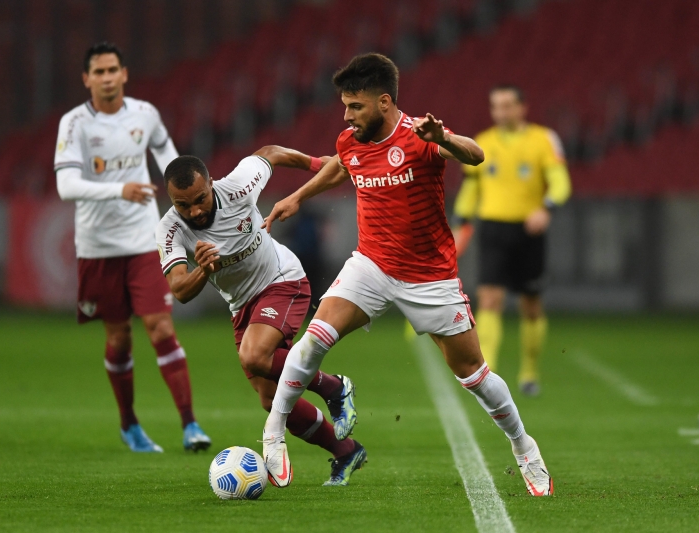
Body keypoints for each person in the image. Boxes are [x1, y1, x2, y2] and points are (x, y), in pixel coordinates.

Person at [260, 53, 553, 496]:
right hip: (372, 265)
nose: (347, 115)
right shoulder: (351, 139)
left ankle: (524, 445)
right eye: (344, 106)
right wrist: (299, 196)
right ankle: (274, 432)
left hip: (430, 276)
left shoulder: (421, 135)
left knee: (473, 374)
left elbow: (476, 154)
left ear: (383, 102)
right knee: (314, 338)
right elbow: (342, 163)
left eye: (355, 106)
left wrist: (447, 140)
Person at [155, 148, 365, 486]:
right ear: (171, 200)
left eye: (200, 199)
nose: (194, 211)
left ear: (211, 183)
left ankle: (335, 387)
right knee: (270, 398)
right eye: (183, 204)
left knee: (254, 355)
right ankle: (345, 451)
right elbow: (179, 289)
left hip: (282, 279)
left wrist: (315, 163)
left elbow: (270, 153)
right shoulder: (170, 229)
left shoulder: (238, 186)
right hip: (242, 305)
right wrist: (203, 271)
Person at [54, 42, 210, 453]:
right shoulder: (74, 125)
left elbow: (165, 151)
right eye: (98, 72)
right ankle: (129, 424)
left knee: (160, 326)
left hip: (144, 240)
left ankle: (190, 425)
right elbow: (65, 185)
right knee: (119, 336)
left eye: (112, 70)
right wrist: (119, 189)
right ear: (86, 79)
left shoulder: (145, 114)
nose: (106, 78)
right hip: (97, 247)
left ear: (124, 73)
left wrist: (184, 192)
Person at [451, 84, 572, 396]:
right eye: (495, 106)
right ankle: (487, 372)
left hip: (529, 230)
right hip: (492, 227)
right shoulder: (482, 142)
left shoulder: (543, 139)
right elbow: (471, 188)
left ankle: (529, 372)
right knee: (490, 298)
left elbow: (560, 182)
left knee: (530, 304)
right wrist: (461, 219)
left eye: (507, 105)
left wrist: (547, 208)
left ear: (523, 108)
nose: (501, 112)